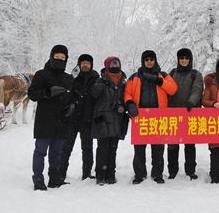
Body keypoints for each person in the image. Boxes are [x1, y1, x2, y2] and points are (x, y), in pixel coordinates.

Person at [125, 50, 178, 184]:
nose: (149, 62)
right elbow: (127, 93)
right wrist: (130, 103)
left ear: (155, 61)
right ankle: (139, 174)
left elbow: (173, 89)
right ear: (143, 61)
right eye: (146, 59)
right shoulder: (134, 77)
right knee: (139, 149)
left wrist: (159, 81)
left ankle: (157, 174)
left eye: (151, 59)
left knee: (158, 148)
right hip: (140, 118)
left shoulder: (163, 75)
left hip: (158, 117)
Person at [28, 45, 74, 191]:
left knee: (57, 152)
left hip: (61, 120)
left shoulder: (68, 78)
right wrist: (48, 92)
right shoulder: (41, 74)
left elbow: (72, 96)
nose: (60, 60)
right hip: (45, 120)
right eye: (57, 57)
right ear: (51, 56)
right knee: (40, 151)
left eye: (63, 57)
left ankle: (54, 178)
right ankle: (38, 179)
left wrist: (72, 105)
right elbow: (32, 94)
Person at [91, 57, 133, 185]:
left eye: (117, 63)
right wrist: (99, 85)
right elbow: (93, 96)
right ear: (107, 66)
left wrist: (124, 107)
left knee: (113, 148)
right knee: (103, 148)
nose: (115, 66)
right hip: (103, 119)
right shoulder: (101, 80)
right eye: (112, 64)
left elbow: (127, 97)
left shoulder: (124, 81)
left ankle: (110, 173)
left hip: (118, 119)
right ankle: (100, 174)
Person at [59, 54, 98, 182]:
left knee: (87, 148)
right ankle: (61, 173)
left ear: (91, 65)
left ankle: (86, 174)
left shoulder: (96, 78)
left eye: (88, 63)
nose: (85, 65)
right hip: (72, 119)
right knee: (66, 147)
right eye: (83, 63)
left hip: (87, 119)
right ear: (79, 64)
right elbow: (65, 95)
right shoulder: (73, 78)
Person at [167, 48, 203, 180]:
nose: (184, 60)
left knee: (189, 145)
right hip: (173, 114)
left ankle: (190, 170)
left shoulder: (195, 74)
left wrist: (191, 102)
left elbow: (197, 89)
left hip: (189, 113)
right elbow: (167, 89)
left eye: (186, 58)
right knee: (172, 145)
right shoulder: (172, 73)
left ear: (190, 59)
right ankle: (172, 171)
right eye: (181, 58)